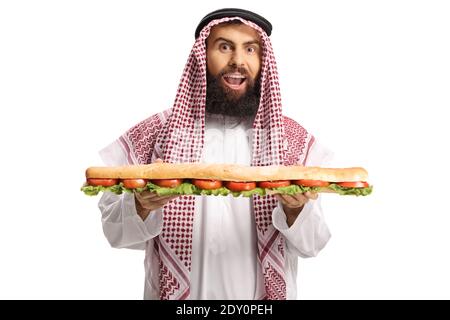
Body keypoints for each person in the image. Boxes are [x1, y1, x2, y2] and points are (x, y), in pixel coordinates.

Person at [98, 8, 332, 300]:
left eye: (250, 49)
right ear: (202, 56)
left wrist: (296, 210)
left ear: (263, 61)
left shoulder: (288, 140)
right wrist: (141, 205)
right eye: (224, 47)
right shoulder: (157, 134)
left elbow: (314, 245)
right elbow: (113, 232)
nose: (237, 61)